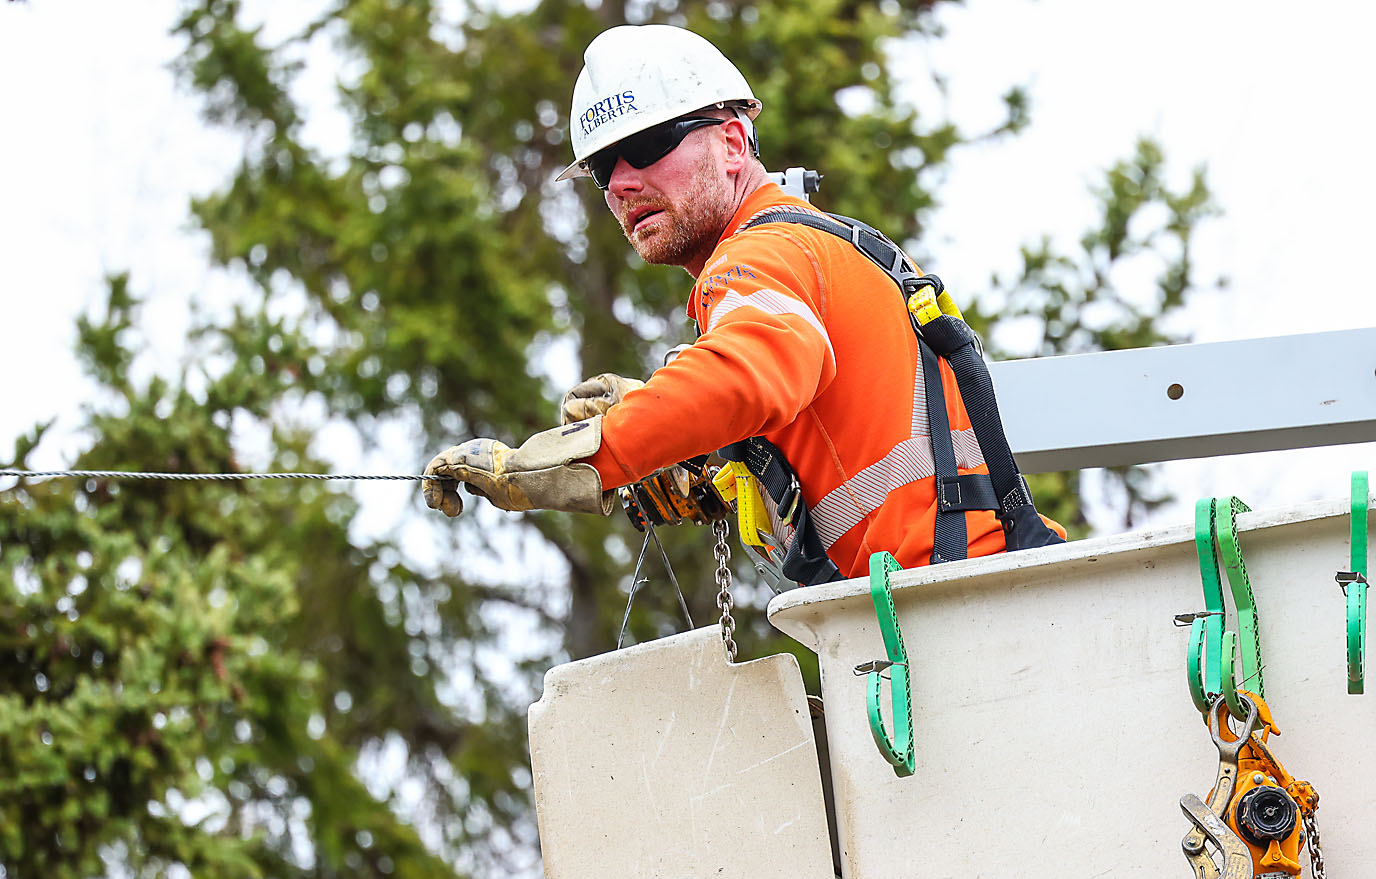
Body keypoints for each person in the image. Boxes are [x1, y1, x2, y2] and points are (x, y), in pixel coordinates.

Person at [422, 24, 1062, 581]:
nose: (621, 182)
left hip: (961, 605)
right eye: (602, 166)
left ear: (732, 143)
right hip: (963, 594)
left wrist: (602, 449)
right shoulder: (812, 249)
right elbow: (831, 431)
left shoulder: (763, 256)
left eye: (646, 146)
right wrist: (696, 454)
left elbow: (753, 371)